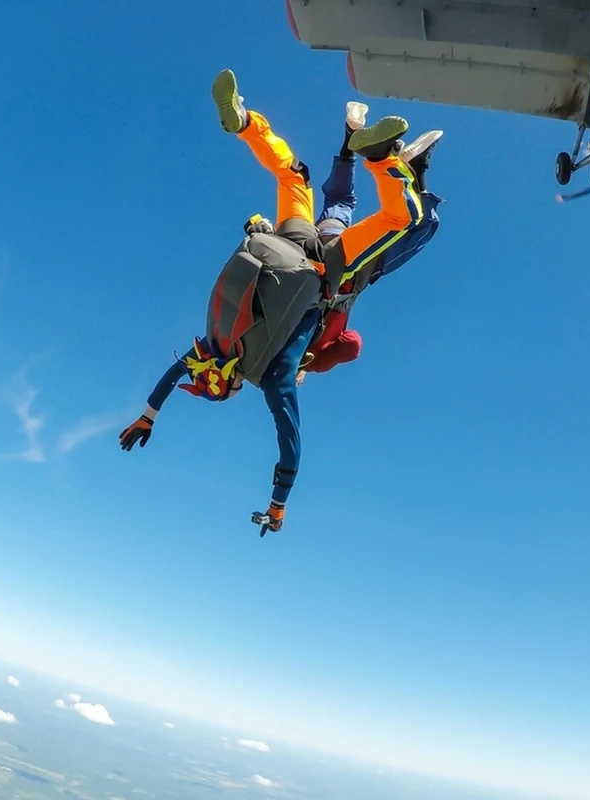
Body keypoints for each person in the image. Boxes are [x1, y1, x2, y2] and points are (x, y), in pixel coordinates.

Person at [118, 69, 434, 535]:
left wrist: (278, 504)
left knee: (401, 218)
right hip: (286, 237)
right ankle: (244, 121)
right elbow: (171, 375)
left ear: (231, 387)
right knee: (292, 173)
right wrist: (147, 416)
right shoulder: (210, 345)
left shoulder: (273, 377)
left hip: (326, 265)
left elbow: (291, 446)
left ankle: (381, 158)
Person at [297, 104, 444, 380]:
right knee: (339, 200)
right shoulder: (266, 337)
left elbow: (352, 344)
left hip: (354, 268)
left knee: (418, 226)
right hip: (315, 245)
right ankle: (350, 132)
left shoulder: (313, 360)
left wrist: (317, 361)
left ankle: (408, 166)